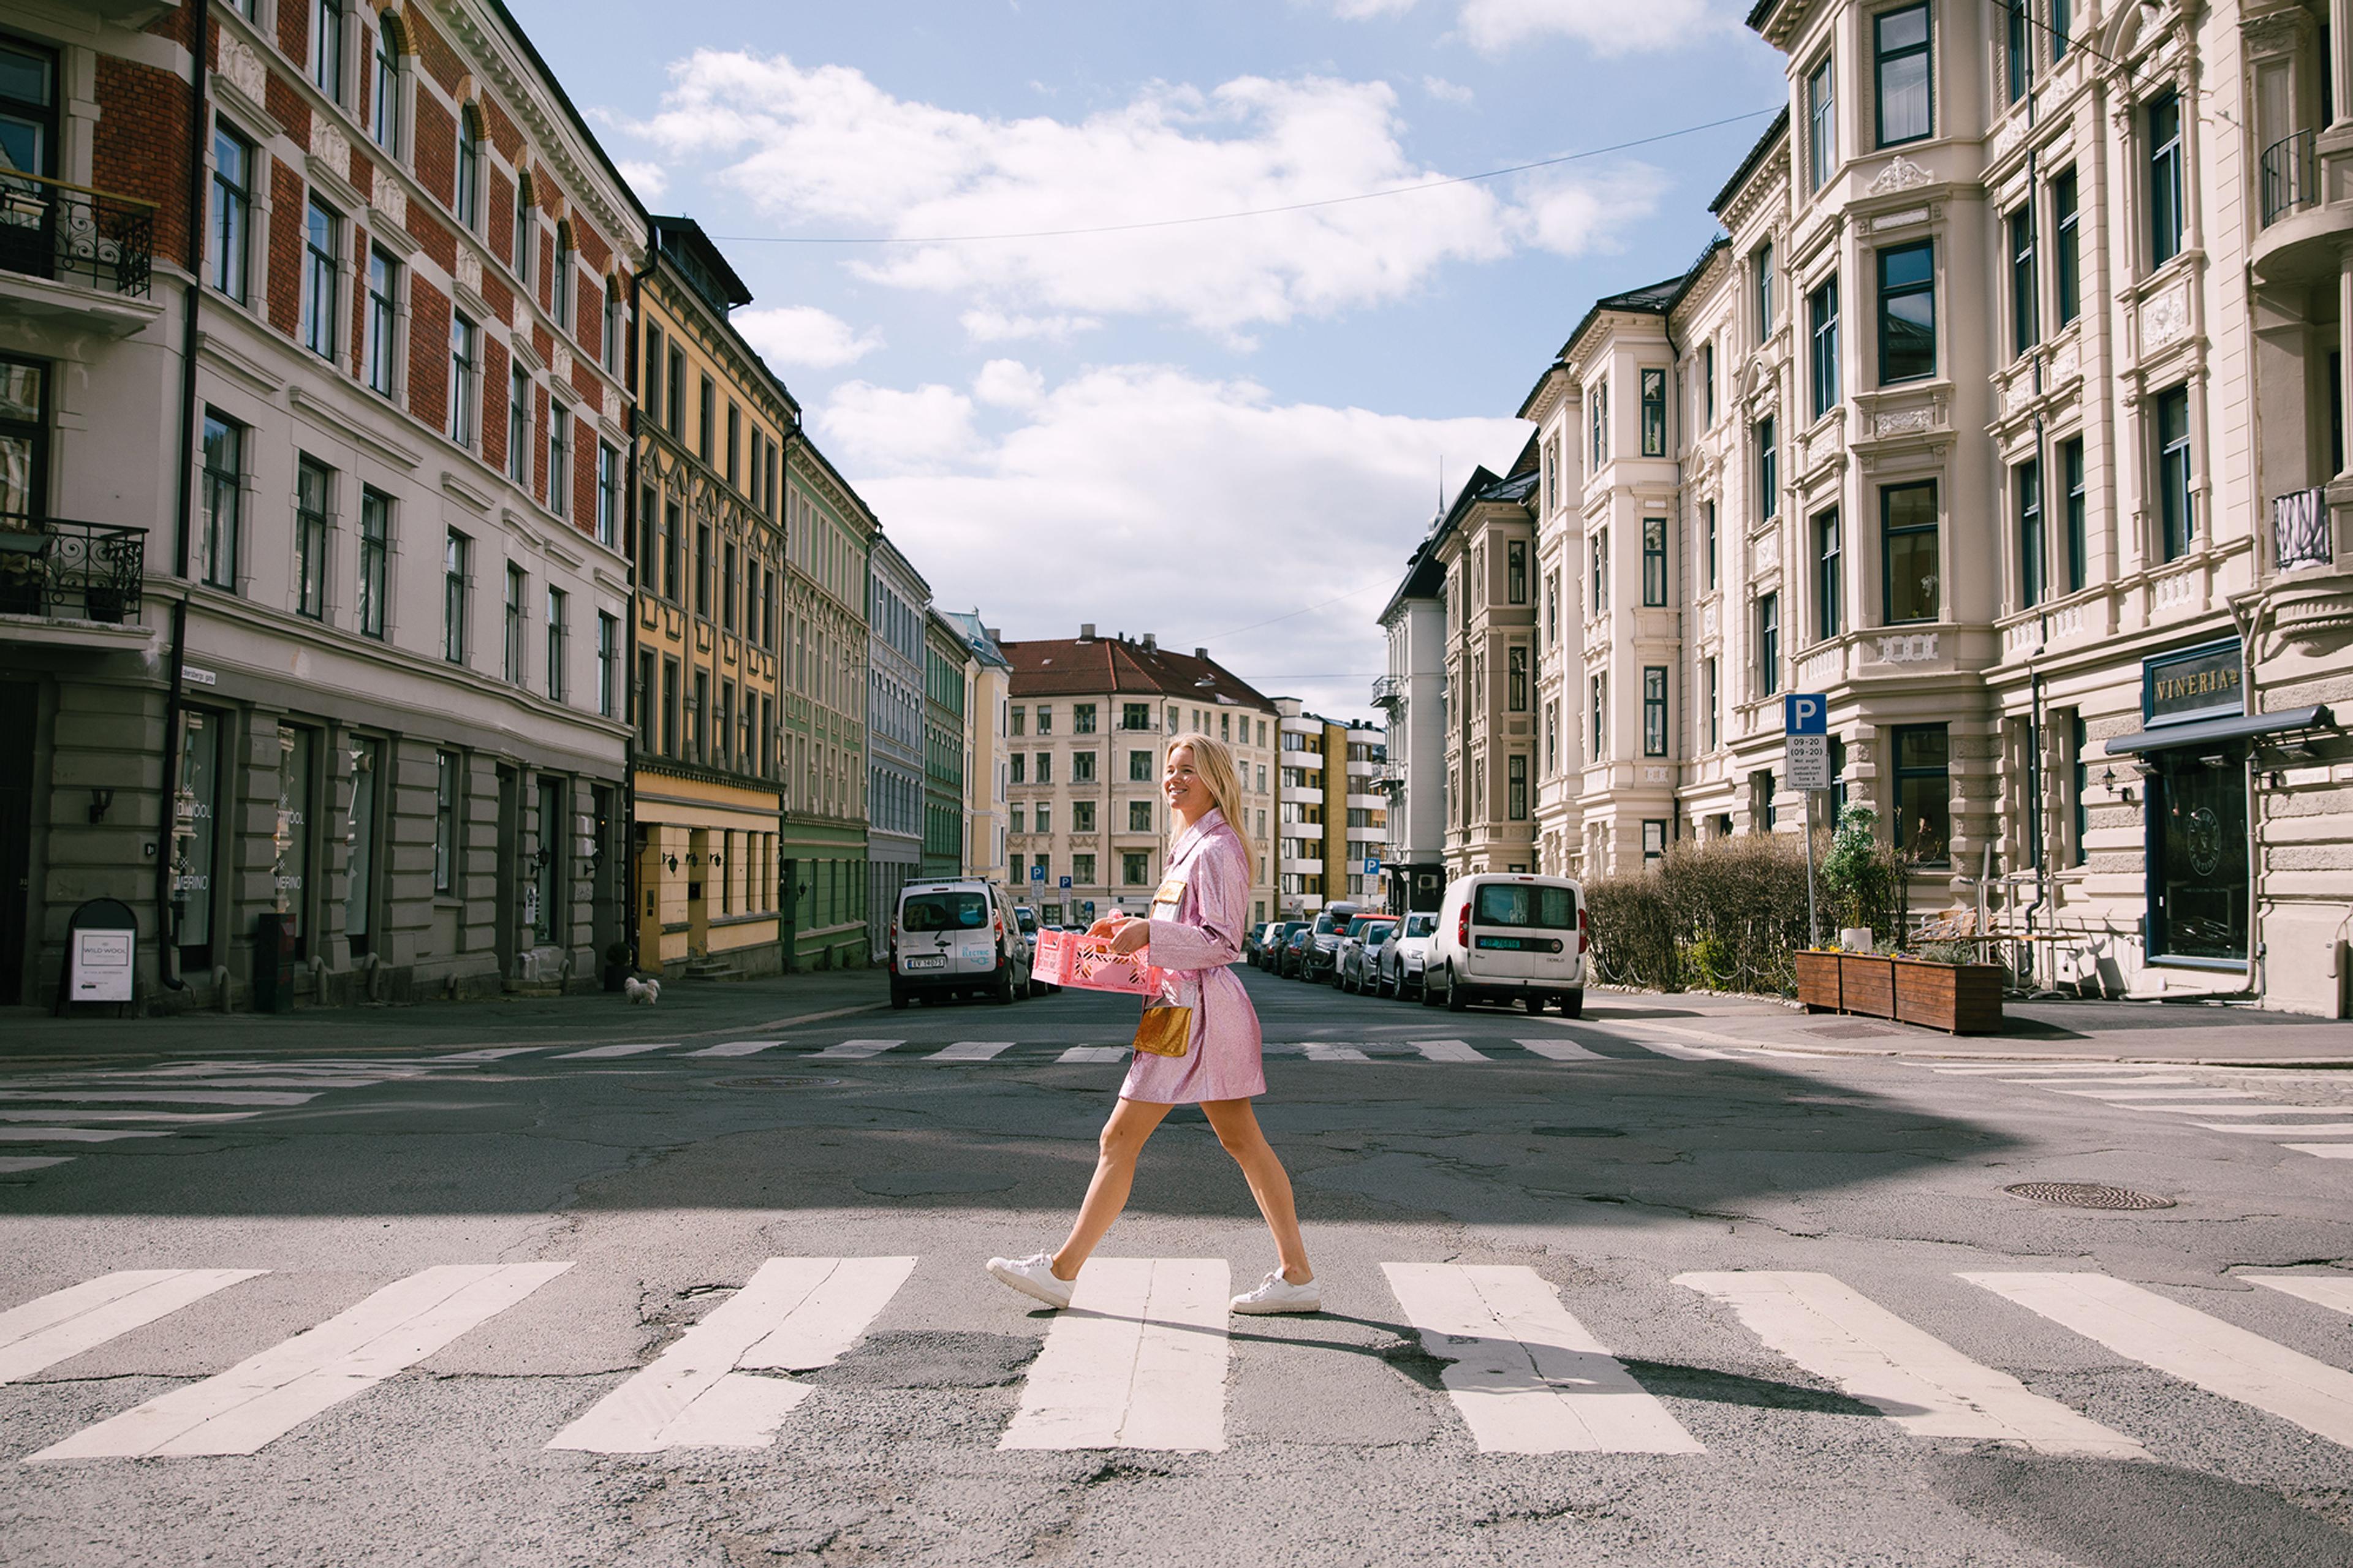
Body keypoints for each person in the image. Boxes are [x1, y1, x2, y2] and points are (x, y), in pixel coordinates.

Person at [986, 732, 1318, 1315]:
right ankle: (1297, 1274)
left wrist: (1150, 933)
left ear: (1214, 777)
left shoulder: (1217, 848)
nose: (1173, 780)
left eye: (1187, 770)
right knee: (1240, 1141)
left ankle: (1063, 1271)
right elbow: (1182, 937)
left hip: (1195, 1015)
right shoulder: (1190, 845)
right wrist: (1131, 929)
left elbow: (1222, 941)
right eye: (1169, 771)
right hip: (1179, 1009)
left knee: (1122, 1138)